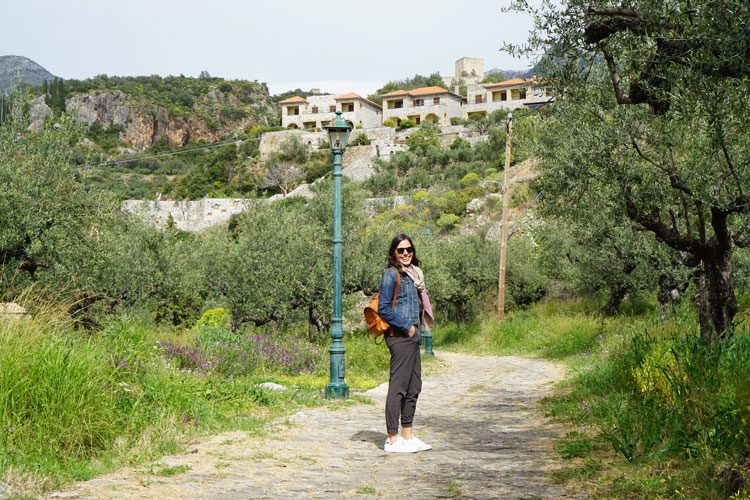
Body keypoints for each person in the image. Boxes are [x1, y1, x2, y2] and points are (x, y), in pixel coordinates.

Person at [377, 233, 434, 453]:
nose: (406, 253)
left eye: (409, 249)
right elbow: (384, 308)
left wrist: (416, 329)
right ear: (394, 253)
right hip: (399, 336)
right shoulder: (391, 275)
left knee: (414, 386)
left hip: (413, 336)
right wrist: (407, 326)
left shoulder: (414, 275)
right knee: (398, 388)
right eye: (401, 250)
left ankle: (408, 436)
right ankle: (392, 438)